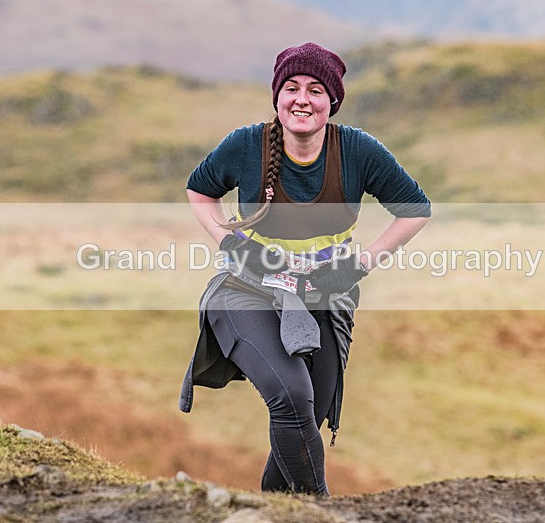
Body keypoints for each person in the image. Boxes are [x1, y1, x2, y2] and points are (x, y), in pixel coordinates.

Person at [179, 42, 431, 496]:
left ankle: (275, 509)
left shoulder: (358, 150)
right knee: (293, 399)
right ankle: (321, 510)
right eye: (291, 88)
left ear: (332, 101)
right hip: (247, 289)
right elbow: (200, 191)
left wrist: (357, 267)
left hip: (326, 296)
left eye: (316, 90)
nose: (302, 99)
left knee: (307, 420)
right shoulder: (244, 145)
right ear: (276, 97)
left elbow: (415, 209)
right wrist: (231, 243)